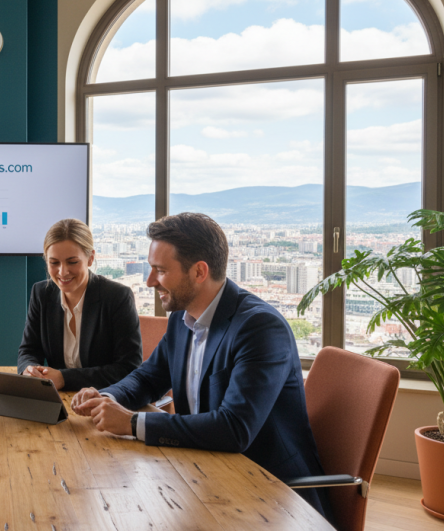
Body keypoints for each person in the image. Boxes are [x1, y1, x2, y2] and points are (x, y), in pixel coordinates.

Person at [70, 213, 331, 519]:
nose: (150, 281)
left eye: (160, 271)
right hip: (205, 473)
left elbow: (234, 429)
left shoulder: (259, 328)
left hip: (271, 495)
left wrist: (131, 423)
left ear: (199, 271)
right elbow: (148, 377)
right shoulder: (182, 319)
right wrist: (107, 397)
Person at [17, 219, 142, 391]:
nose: (62, 271)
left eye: (72, 262)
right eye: (54, 263)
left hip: (103, 399)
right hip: (57, 398)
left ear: (90, 258)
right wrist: (29, 369)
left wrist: (64, 378)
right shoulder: (41, 293)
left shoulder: (117, 297)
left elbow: (129, 368)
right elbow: (28, 350)